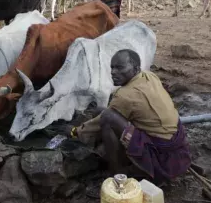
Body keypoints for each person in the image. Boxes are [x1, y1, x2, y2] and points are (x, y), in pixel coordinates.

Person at [69, 49, 191, 185]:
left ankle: (117, 175)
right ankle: (110, 153)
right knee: (101, 111)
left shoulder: (124, 95)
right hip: (173, 140)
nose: (113, 72)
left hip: (160, 154)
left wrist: (75, 132)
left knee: (108, 117)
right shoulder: (149, 76)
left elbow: (101, 120)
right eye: (112, 67)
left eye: (120, 67)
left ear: (135, 68)